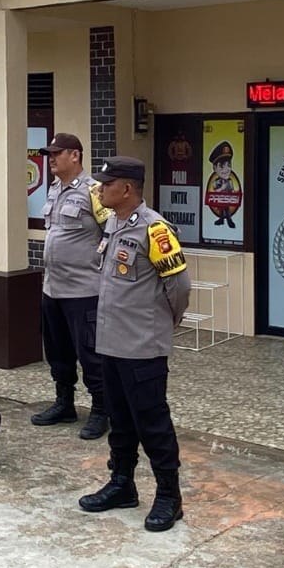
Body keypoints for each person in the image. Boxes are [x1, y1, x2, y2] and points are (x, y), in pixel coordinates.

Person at [77, 156, 193, 532]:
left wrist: (162, 324)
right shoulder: (112, 222)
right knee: (120, 420)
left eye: (107, 184)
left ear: (126, 189)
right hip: (111, 342)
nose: (99, 189)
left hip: (142, 344)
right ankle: (122, 483)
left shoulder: (154, 230)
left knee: (152, 422)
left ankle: (169, 496)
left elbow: (179, 288)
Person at [31, 132, 111, 439]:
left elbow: (111, 233)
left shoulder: (94, 191)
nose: (51, 159)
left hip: (84, 290)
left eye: (57, 154)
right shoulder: (53, 189)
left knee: (90, 354)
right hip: (53, 288)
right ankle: (64, 403)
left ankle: (102, 410)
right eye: (49, 155)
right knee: (58, 352)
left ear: (75, 155)